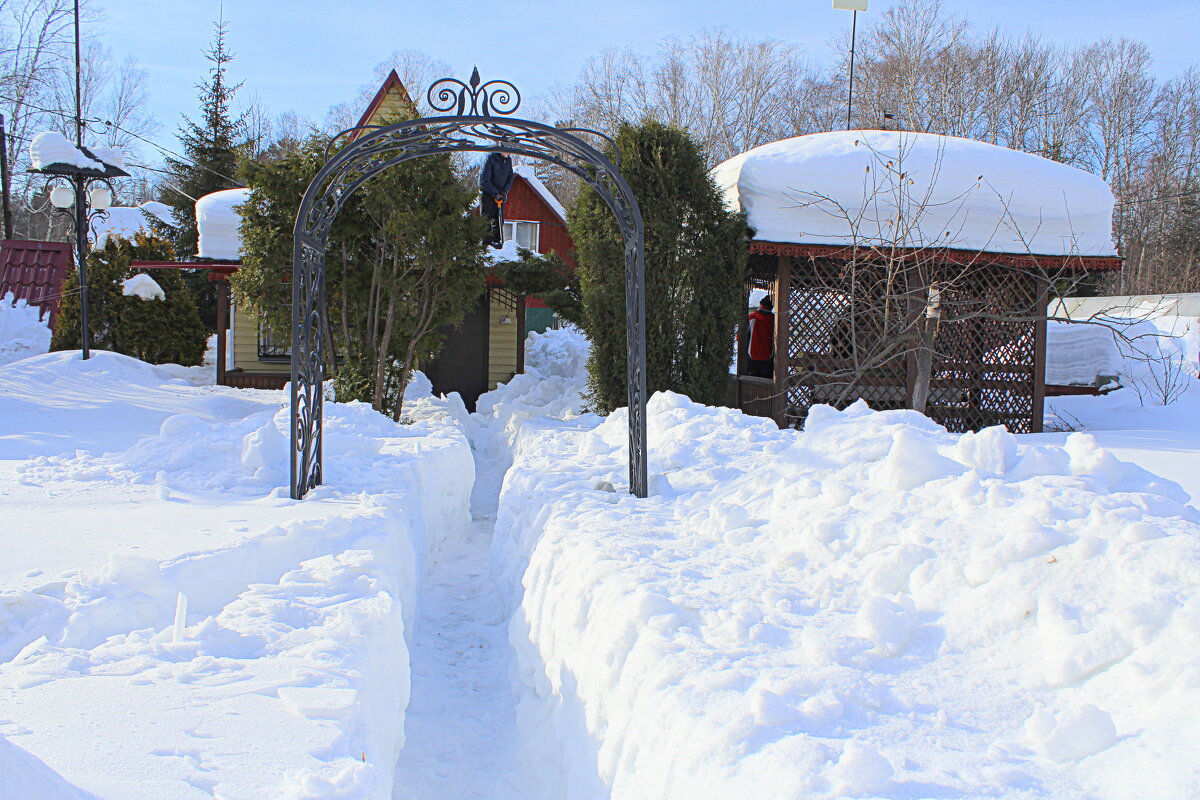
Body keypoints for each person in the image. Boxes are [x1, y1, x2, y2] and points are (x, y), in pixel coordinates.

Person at [479, 151, 515, 247]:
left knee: (498, 219)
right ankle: (486, 243)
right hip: (488, 194)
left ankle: (497, 241)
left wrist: (504, 192)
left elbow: (510, 177)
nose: (508, 153)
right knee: (487, 219)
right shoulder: (491, 158)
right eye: (507, 151)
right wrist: (495, 193)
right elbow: (484, 180)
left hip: (500, 195)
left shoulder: (508, 161)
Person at [747, 295, 775, 378]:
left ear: (761, 305)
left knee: (751, 379)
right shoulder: (775, 320)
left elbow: (739, 337)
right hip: (768, 355)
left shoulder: (751, 317)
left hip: (752, 354)